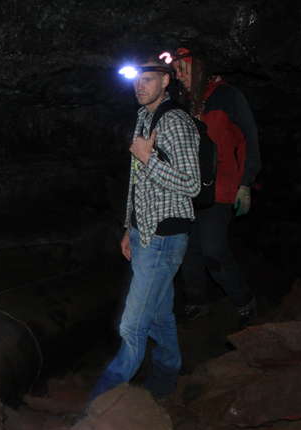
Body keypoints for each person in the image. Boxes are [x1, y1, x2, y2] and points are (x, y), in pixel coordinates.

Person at [89, 56, 200, 402]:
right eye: (137, 80)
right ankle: (167, 379)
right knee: (160, 316)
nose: (141, 85)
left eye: (149, 79)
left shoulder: (175, 123)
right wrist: (129, 228)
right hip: (144, 234)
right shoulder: (143, 117)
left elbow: (191, 183)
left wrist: (147, 158)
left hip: (164, 239)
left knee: (132, 327)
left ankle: (99, 406)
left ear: (166, 82)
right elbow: (138, 185)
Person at [172, 45, 261, 328]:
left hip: (221, 187)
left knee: (212, 249)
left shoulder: (227, 96)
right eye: (176, 72)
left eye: (183, 70)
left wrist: (245, 182)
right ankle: (197, 302)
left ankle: (244, 301)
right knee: (187, 250)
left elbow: (249, 139)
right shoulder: (183, 103)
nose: (179, 76)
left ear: (199, 68)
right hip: (188, 189)